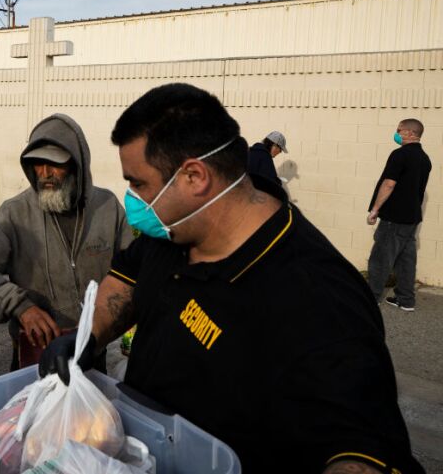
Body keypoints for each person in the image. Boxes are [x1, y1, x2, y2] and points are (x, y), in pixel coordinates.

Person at [40, 84, 423, 474]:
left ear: (194, 177)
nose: (133, 197)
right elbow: (129, 279)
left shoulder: (318, 298)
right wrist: (88, 336)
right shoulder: (172, 231)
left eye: (139, 184)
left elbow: (360, 452)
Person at [0, 114, 133, 370]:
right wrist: (21, 307)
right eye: (38, 164)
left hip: (91, 351)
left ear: (77, 163)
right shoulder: (14, 213)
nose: (45, 174)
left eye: (55, 164)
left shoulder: (107, 207)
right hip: (35, 355)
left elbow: (131, 269)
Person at [366, 119, 432, 311]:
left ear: (410, 133)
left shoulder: (400, 155)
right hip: (412, 218)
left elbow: (389, 184)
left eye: (399, 130)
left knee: (380, 258)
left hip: (394, 218)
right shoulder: (425, 158)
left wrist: (375, 209)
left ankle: (372, 298)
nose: (396, 133)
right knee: (406, 260)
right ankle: (406, 300)